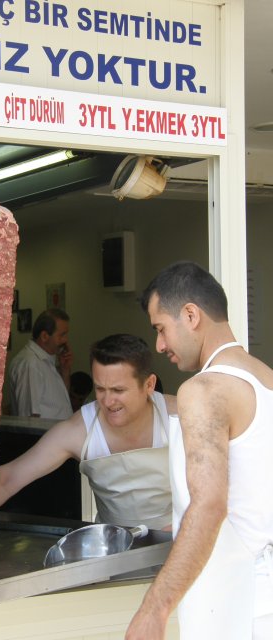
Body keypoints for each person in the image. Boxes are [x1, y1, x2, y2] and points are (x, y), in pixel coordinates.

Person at [0, 334, 177, 551]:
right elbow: (6, 480)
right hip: (116, 552)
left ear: (149, 385)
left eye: (119, 390)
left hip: (180, 546)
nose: (107, 401)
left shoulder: (182, 415)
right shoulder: (79, 429)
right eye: (100, 389)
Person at [126, 261, 273, 640]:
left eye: (161, 328)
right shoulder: (266, 380)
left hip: (240, 607)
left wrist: (154, 610)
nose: (159, 346)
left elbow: (210, 504)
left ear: (191, 315)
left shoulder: (204, 390)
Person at [8, 308, 73, 420]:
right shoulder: (30, 364)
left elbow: (61, 402)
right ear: (44, 336)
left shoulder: (45, 360)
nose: (65, 340)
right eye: (62, 335)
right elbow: (28, 420)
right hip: (45, 437)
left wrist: (65, 370)